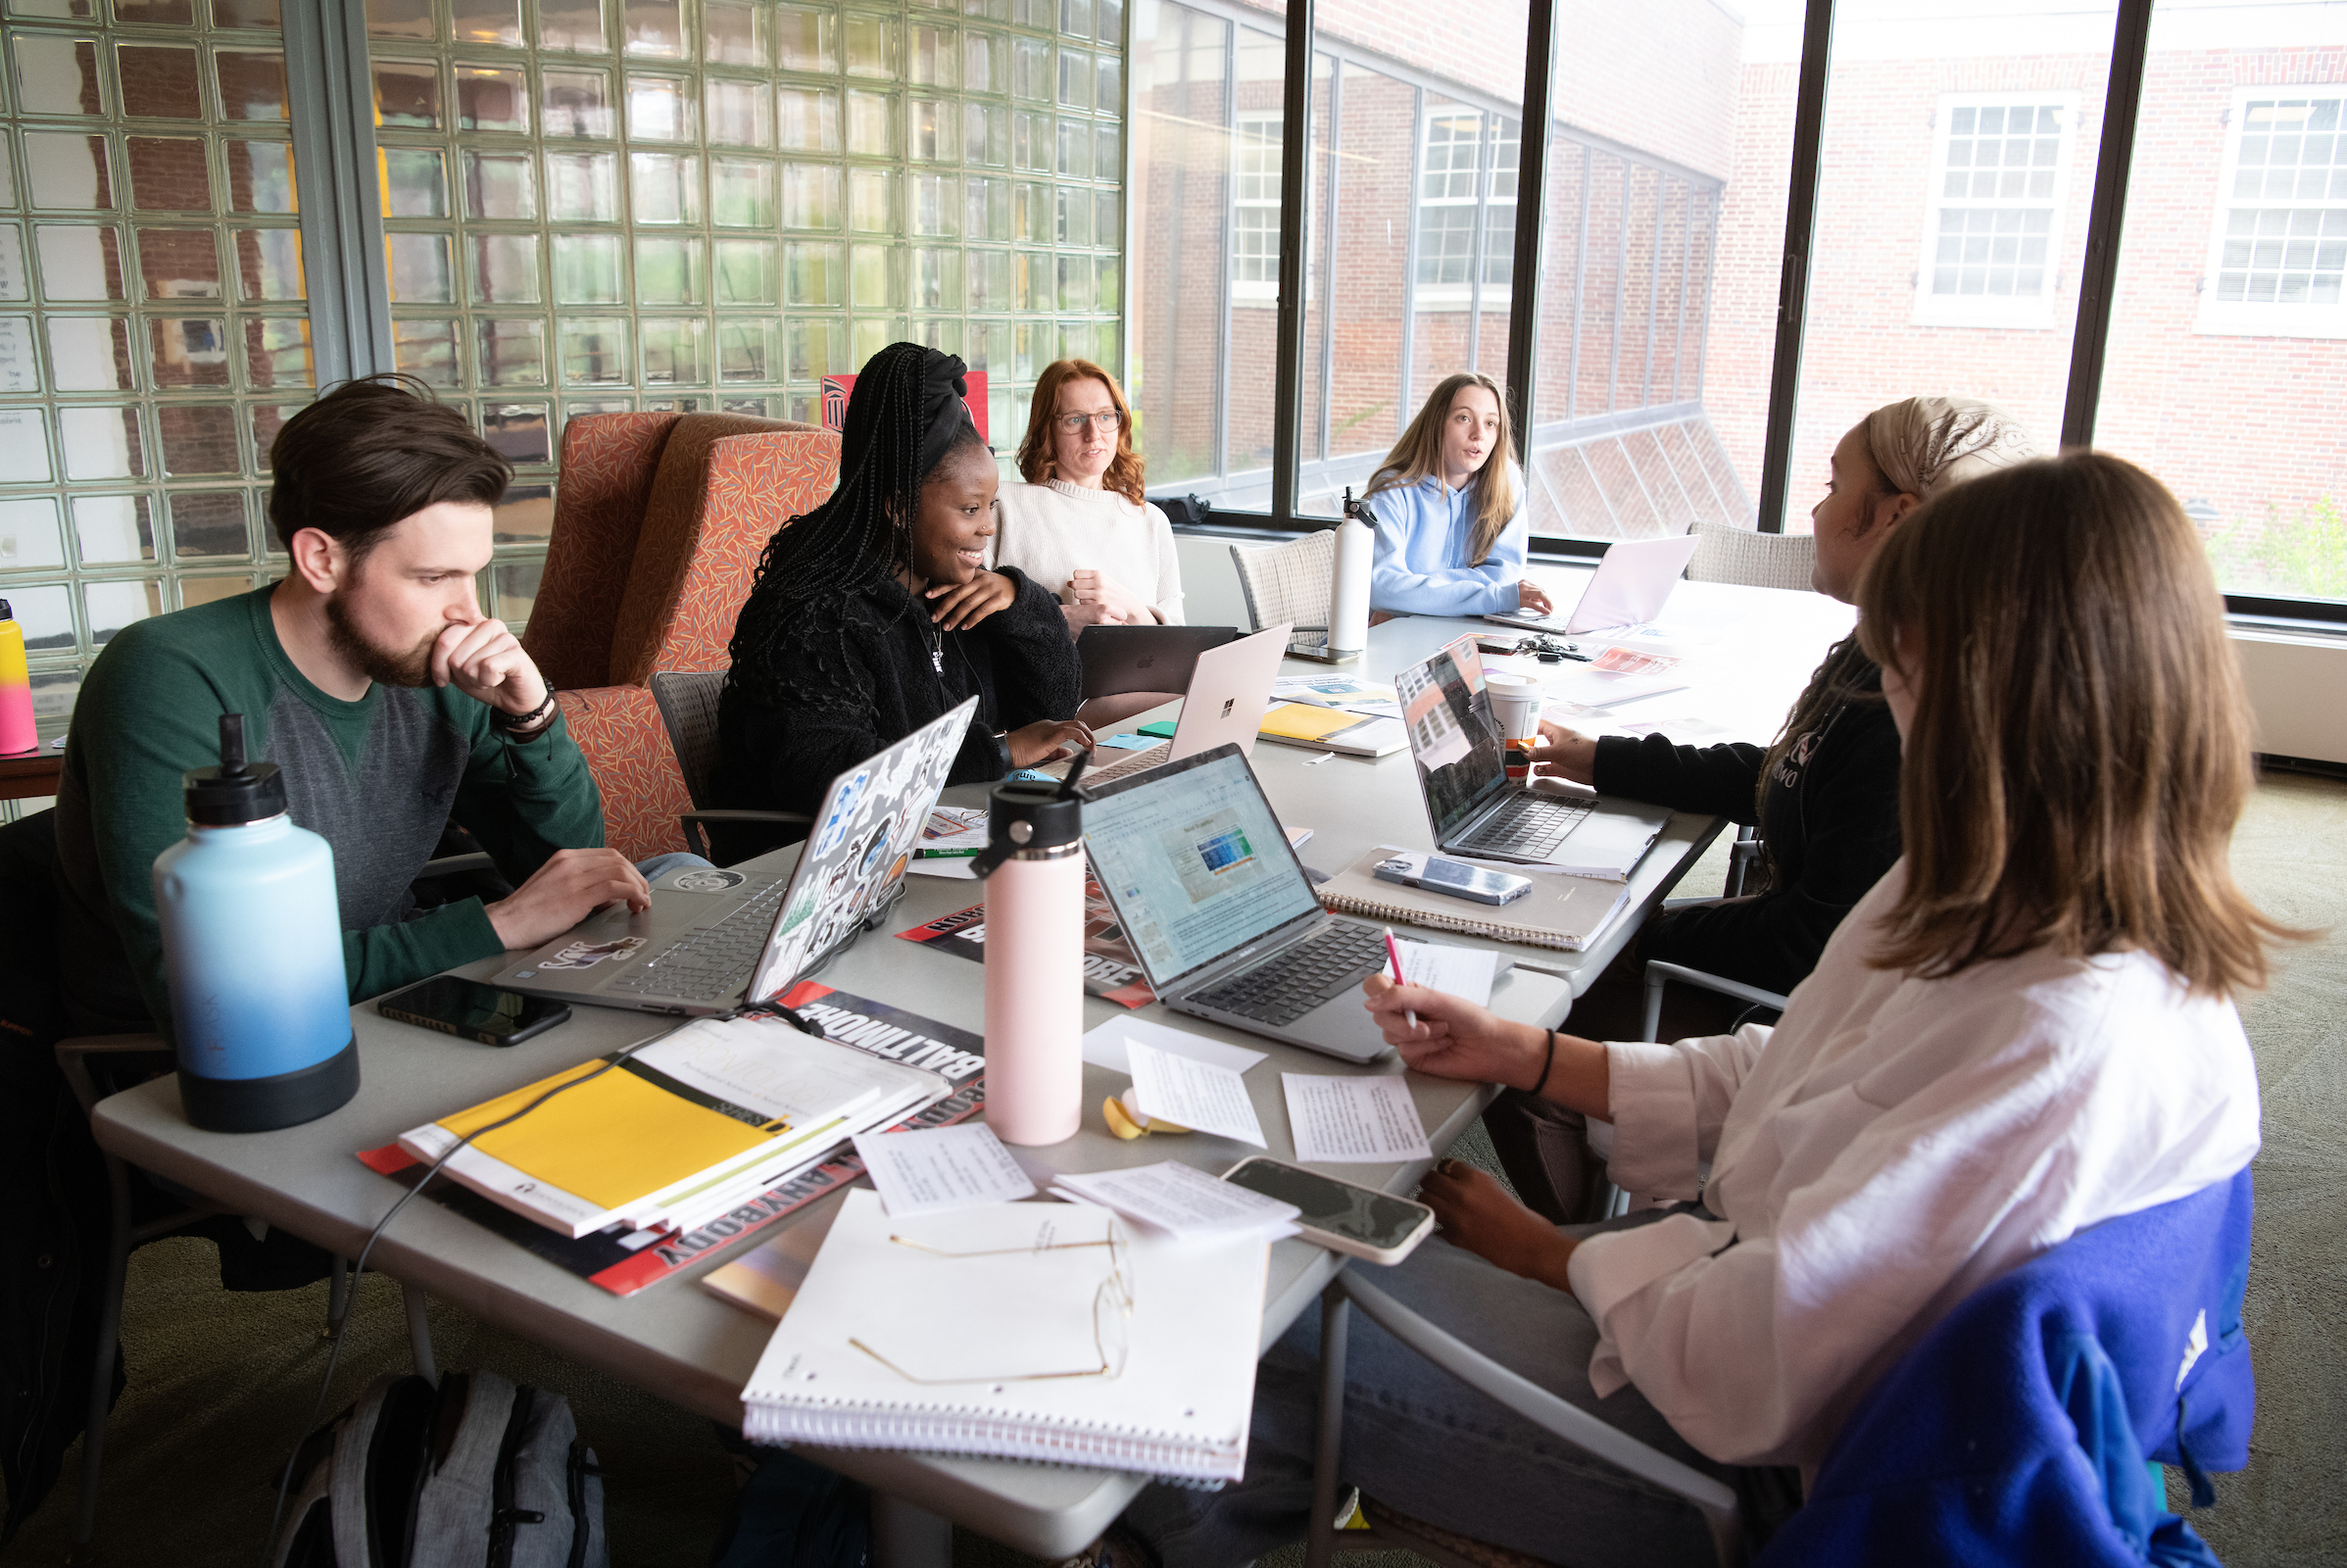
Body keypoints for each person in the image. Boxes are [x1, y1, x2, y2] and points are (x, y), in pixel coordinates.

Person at [1117, 451, 2281, 1567]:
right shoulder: (2031, 905)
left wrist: (1546, 1257)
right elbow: (1806, 1081)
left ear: (2008, 702)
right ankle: (1229, 1511)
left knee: (1264, 1298)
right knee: (1307, 1281)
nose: (1895, 710)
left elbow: (1759, 1354)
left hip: (1743, 1463)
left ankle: (1180, 1522)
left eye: (1907, 675)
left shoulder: (2062, 1039)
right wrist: (1535, 1055)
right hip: (1734, 1316)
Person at [1493, 397, 2039, 1220]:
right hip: (1806, 984)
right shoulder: (1886, 649)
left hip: (1801, 1016)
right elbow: (1782, 773)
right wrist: (1597, 757)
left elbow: (1811, 939)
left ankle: (1575, 1247)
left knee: (1517, 999)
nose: (1816, 510)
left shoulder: (1912, 713)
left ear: (1898, 516)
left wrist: (1642, 930)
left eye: (1832, 484)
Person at [55, 375, 649, 1038]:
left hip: (395, 1007)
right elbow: (207, 989)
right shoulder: (167, 677)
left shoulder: (438, 669)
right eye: (432, 578)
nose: (471, 613)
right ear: (320, 559)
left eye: (472, 574)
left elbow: (570, 877)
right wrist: (498, 924)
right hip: (220, 1061)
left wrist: (530, 716)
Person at [717, 343, 1089, 861]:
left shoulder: (957, 593)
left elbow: (1051, 713)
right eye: (969, 508)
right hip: (817, 879)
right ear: (897, 506)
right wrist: (1000, 752)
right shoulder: (817, 617)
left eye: (990, 506)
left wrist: (1020, 605)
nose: (987, 527)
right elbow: (835, 777)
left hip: (939, 848)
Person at [996, 358, 1185, 630]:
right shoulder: (1004, 505)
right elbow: (968, 625)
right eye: (1075, 419)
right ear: (1046, 429)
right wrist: (1060, 619)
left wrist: (1134, 610)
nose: (1093, 434)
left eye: (1105, 416)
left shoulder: (1151, 521)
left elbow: (1179, 644)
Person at [1365, 371, 1552, 618]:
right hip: (1388, 639)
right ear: (1436, 424)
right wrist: (1492, 596)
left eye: (1490, 423)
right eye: (1463, 418)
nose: (1479, 434)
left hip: (1456, 636)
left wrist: (1414, 596)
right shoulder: (1392, 490)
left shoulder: (1507, 481)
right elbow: (1382, 588)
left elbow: (1507, 575)